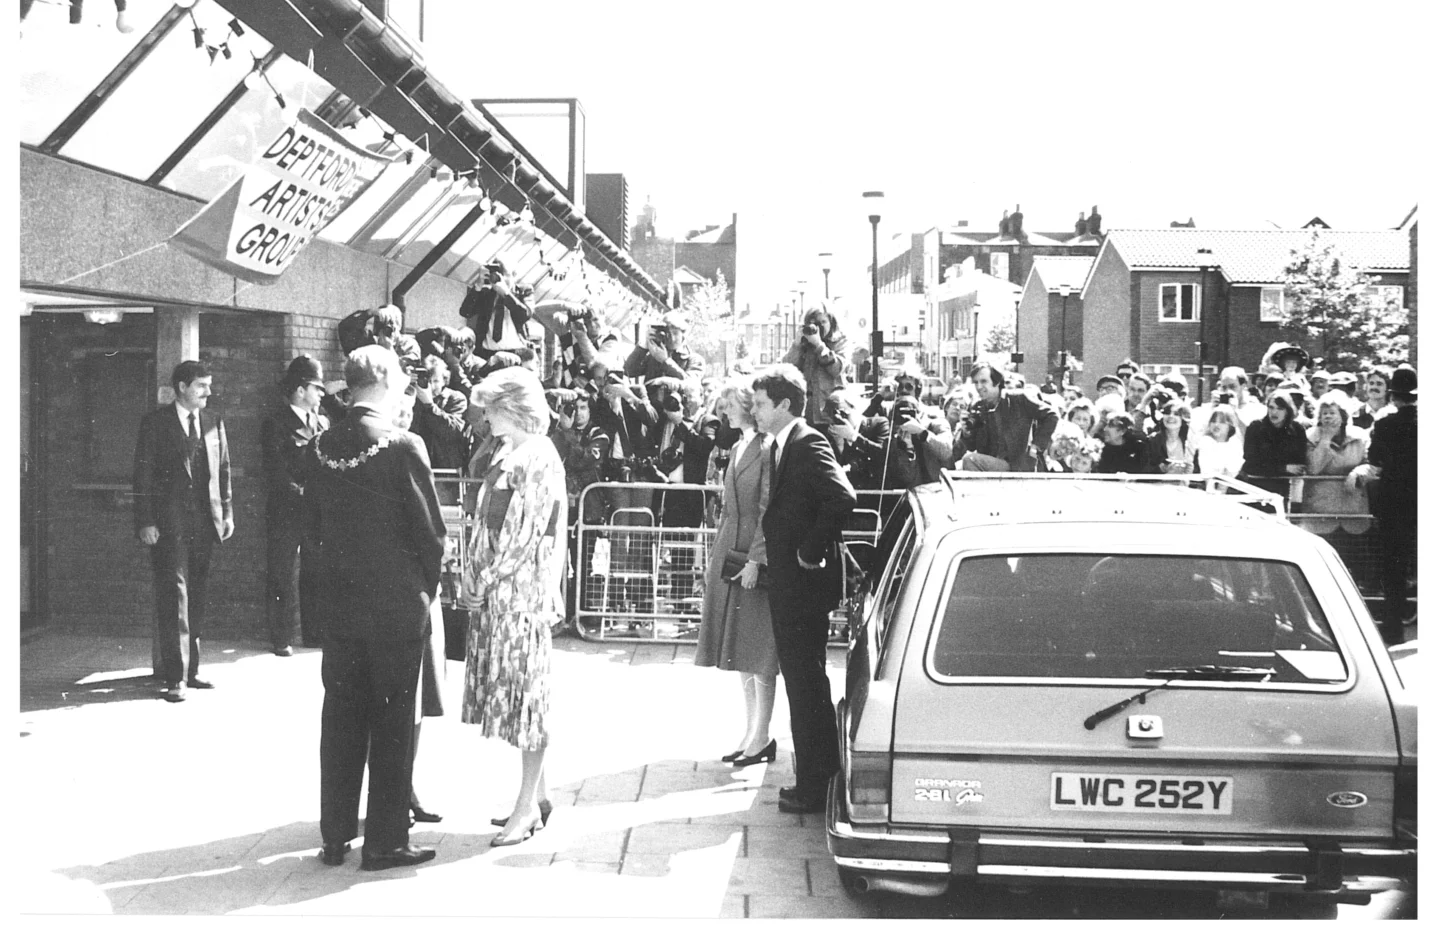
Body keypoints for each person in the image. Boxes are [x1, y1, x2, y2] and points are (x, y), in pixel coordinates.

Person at [305, 345, 446, 871]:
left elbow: (311, 530)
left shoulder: (319, 444)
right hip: (392, 607)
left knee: (339, 719)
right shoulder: (403, 445)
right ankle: (385, 841)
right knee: (390, 723)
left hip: (339, 605)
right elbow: (430, 535)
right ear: (386, 380)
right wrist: (423, 591)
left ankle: (335, 835)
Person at [459, 367, 568, 845]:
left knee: (528, 704)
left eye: (491, 406)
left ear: (514, 407)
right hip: (502, 592)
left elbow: (526, 534)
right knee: (520, 699)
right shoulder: (510, 451)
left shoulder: (538, 455)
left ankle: (526, 809)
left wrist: (483, 576)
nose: (484, 416)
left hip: (520, 595)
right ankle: (534, 800)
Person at [751, 364, 856, 814]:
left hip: (803, 586)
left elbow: (842, 497)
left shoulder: (807, 442)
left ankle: (815, 785)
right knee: (804, 682)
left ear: (784, 405)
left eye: (759, 404)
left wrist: (810, 551)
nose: (754, 411)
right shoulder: (782, 445)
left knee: (806, 683)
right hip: (791, 585)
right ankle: (819, 775)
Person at [132, 360, 234, 702]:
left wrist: (227, 513)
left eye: (208, 385)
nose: (208, 391)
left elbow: (224, 470)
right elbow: (142, 476)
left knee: (199, 594)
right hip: (168, 524)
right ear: (181, 387)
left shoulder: (213, 421)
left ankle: (193, 670)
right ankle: (175, 677)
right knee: (174, 595)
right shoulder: (156, 423)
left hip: (205, 523)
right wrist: (145, 521)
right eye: (201, 386)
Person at [695, 381, 779, 769]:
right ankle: (750, 732)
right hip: (729, 548)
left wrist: (756, 559)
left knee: (758, 650)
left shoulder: (764, 449)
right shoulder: (739, 446)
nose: (724, 412)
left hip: (748, 555)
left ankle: (763, 734)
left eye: (729, 405)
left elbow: (766, 509)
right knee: (738, 650)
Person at [260, 355, 329, 656]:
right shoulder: (275, 423)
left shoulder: (322, 421)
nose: (320, 394)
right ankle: (281, 637)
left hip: (316, 511)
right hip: (286, 509)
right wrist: (302, 493)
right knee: (281, 574)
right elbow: (275, 469)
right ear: (300, 390)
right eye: (316, 388)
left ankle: (314, 632)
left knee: (315, 572)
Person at [1356, 367, 1416, 645]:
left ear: (1394, 395)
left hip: (1396, 502)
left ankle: (1393, 626)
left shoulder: (1386, 424)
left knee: (1394, 564)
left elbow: (1375, 459)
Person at [959, 363, 1060, 472]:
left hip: (1019, 466)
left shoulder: (1018, 399)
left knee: (970, 460)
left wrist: (1036, 446)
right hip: (993, 466)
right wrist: (966, 431)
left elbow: (1051, 415)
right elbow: (971, 446)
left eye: (983, 381)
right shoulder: (977, 406)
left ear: (997, 382)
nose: (979, 387)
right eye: (976, 382)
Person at [781, 303, 850, 430]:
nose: (818, 327)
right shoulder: (803, 344)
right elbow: (787, 369)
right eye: (814, 323)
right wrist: (796, 345)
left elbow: (837, 369)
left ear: (832, 322)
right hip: (806, 411)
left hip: (830, 411)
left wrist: (819, 345)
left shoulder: (840, 342)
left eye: (823, 322)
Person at [1240, 392, 1307, 498]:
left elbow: (1299, 464)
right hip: (1255, 487)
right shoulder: (1255, 428)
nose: (1274, 412)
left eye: (1280, 408)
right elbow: (1251, 463)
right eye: (1271, 407)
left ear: (1288, 410)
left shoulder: (1297, 430)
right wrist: (1283, 468)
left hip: (1283, 488)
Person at [625, 311, 705, 382]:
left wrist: (665, 361)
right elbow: (629, 371)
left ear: (683, 335)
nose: (672, 338)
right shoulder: (654, 356)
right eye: (668, 333)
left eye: (675, 333)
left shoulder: (694, 360)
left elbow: (690, 384)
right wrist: (644, 346)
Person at [1145, 399, 1197, 474]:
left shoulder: (1190, 440)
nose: (1171, 416)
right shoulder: (1153, 440)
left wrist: (1191, 470)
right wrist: (1162, 469)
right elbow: (1144, 471)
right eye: (1167, 412)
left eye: (1176, 414)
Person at [1192, 404, 1245, 477]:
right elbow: (1206, 471)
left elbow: (1232, 470)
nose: (1216, 425)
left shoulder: (1235, 444)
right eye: (1213, 421)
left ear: (1230, 426)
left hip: (1230, 484)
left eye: (1222, 422)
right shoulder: (1205, 442)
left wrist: (1222, 488)